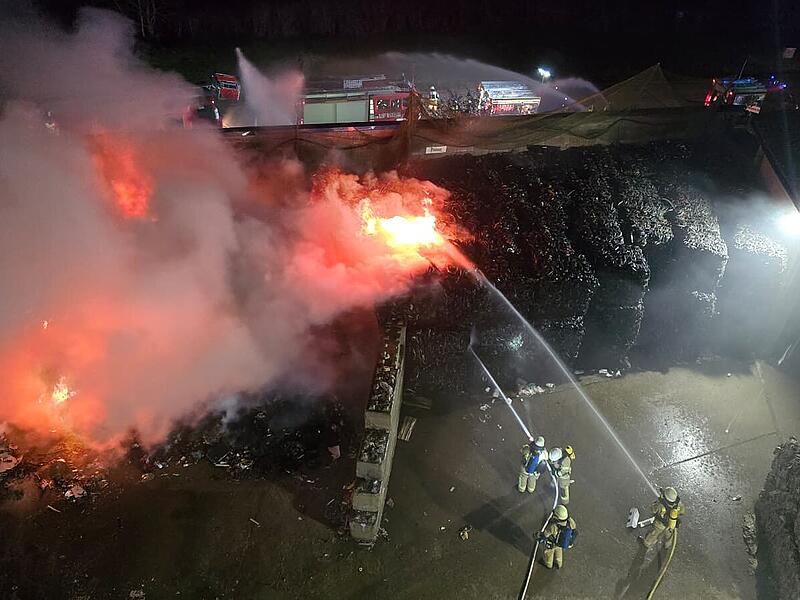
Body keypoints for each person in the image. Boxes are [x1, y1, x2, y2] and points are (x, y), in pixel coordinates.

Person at [540, 504, 578, 569]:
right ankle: (559, 564)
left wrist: (540, 536)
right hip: (560, 543)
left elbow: (546, 534)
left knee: (549, 554)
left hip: (552, 543)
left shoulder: (553, 526)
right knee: (559, 552)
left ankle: (549, 565)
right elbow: (574, 528)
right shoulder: (570, 521)